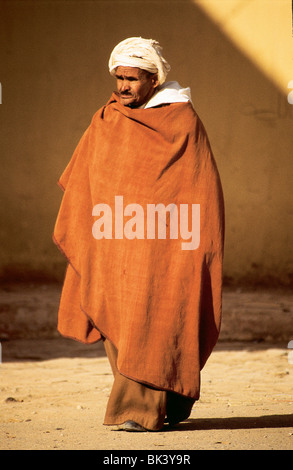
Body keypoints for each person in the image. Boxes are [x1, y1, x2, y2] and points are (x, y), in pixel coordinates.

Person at [53, 37, 225, 432]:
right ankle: (160, 403)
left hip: (166, 242)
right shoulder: (107, 118)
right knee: (119, 317)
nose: (123, 87)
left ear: (153, 79)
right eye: (118, 78)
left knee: (159, 319)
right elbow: (87, 178)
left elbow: (198, 188)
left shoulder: (181, 121)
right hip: (115, 237)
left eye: (132, 79)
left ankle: (139, 410)